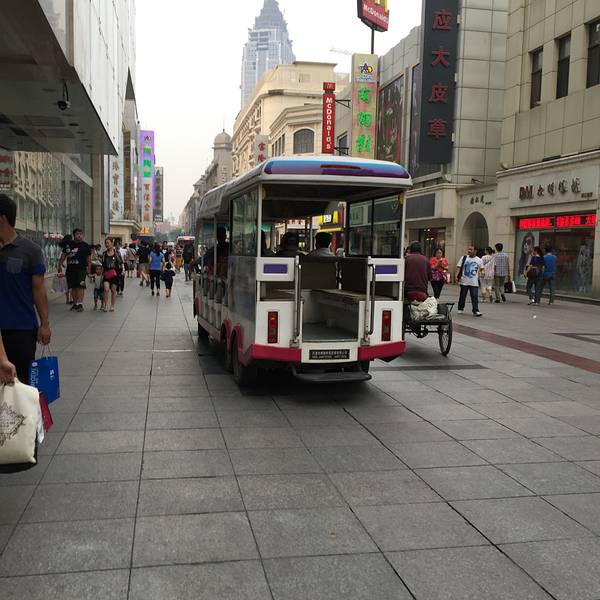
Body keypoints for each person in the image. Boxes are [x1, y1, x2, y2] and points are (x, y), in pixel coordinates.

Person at [0, 194, 51, 382]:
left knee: (21, 383)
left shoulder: (31, 250)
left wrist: (44, 324)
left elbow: (39, 289)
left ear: (2, 218)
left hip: (20, 329)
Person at [59, 227, 91, 312]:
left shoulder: (85, 246)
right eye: (77, 234)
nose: (79, 236)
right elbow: (63, 255)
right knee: (73, 287)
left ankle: (80, 304)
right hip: (70, 269)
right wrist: (59, 265)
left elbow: (89, 259)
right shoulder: (69, 245)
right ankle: (75, 303)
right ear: (74, 235)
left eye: (81, 234)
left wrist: (89, 269)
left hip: (81, 269)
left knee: (80, 286)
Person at [456, 245, 483, 316]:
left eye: (471, 249)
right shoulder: (464, 258)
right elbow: (459, 267)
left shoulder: (479, 260)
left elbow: (482, 269)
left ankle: (475, 310)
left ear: (475, 251)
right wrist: (456, 276)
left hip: (474, 282)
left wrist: (482, 273)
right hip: (464, 281)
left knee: (474, 296)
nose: (469, 251)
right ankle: (460, 308)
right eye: (468, 249)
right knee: (462, 296)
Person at [101, 238, 123, 312]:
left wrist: (122, 271)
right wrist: (101, 274)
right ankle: (105, 305)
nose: (107, 244)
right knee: (106, 289)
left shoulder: (117, 253)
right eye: (106, 243)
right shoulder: (104, 254)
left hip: (115, 274)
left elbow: (121, 263)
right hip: (106, 274)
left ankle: (112, 306)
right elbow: (103, 264)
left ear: (112, 243)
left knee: (113, 291)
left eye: (108, 243)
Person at [59, 234, 73, 304]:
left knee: (66, 284)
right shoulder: (71, 247)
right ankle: (71, 299)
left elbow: (61, 259)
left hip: (64, 267)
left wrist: (59, 266)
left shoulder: (64, 248)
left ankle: (67, 299)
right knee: (71, 283)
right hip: (69, 266)